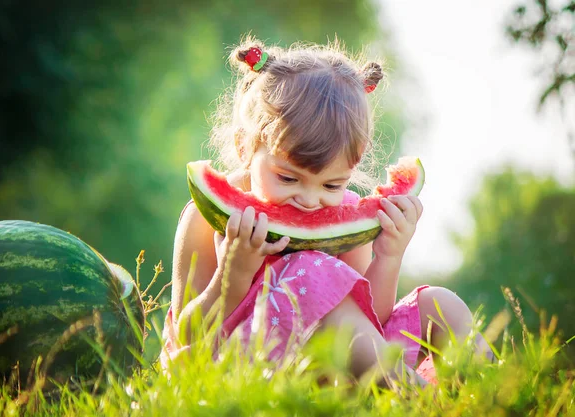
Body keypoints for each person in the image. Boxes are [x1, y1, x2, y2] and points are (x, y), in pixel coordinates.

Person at [161, 36, 492, 386]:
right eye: (288, 178)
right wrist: (233, 276)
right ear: (246, 147)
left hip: (342, 373)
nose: (309, 199)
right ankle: (418, 400)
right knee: (307, 271)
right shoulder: (207, 218)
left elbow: (372, 320)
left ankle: (498, 396)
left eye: (331, 185)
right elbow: (188, 343)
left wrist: (389, 256)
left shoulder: (347, 219)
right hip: (245, 373)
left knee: (440, 304)